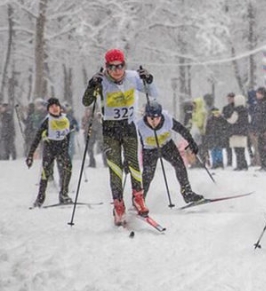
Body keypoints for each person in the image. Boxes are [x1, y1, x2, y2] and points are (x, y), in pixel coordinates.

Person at [82, 48, 157, 225]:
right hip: (110, 130)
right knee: (115, 169)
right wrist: (91, 85)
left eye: (120, 66)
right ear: (106, 67)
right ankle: (118, 205)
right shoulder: (101, 82)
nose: (117, 71)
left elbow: (153, 92)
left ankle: (138, 198)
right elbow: (86, 102)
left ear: (125, 65)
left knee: (134, 164)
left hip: (129, 127)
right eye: (112, 67)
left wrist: (149, 79)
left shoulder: (133, 77)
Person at [136, 101, 204, 204]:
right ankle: (140, 200)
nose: (155, 121)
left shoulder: (167, 119)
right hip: (149, 150)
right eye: (151, 118)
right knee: (148, 175)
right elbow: (129, 141)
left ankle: (187, 193)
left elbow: (182, 129)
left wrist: (191, 142)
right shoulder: (139, 125)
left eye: (157, 118)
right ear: (146, 116)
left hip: (167, 146)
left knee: (180, 165)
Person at [25, 98, 73, 207]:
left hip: (62, 149)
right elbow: (37, 138)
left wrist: (66, 147)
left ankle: (64, 194)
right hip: (49, 149)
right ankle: (40, 198)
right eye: (52, 107)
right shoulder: (47, 121)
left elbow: (67, 134)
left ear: (60, 108)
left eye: (56, 106)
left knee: (68, 169)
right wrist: (30, 155)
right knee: (45, 174)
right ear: (48, 110)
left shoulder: (65, 120)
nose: (55, 108)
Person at [251, 87, 266, 171]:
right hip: (259, 128)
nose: (257, 95)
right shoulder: (258, 104)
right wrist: (254, 128)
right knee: (260, 147)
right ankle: (263, 165)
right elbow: (255, 117)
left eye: (259, 93)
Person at [227, 94, 250, 171]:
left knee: (237, 150)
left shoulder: (236, 111)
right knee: (242, 150)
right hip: (243, 132)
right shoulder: (246, 110)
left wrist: (226, 120)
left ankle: (239, 165)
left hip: (236, 132)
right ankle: (244, 164)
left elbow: (232, 120)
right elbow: (249, 120)